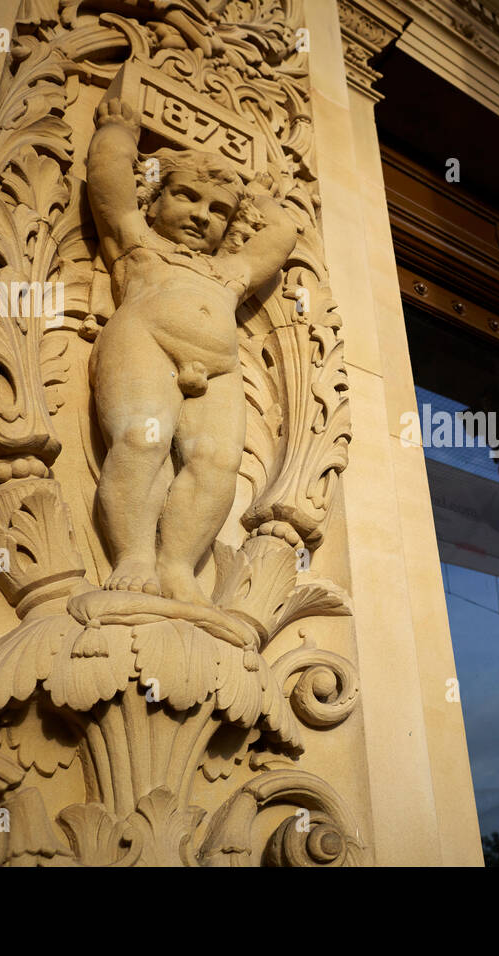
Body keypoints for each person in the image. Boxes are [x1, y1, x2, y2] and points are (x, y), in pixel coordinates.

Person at [86, 96, 297, 604]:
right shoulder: (138, 242)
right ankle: (134, 555)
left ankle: (178, 564)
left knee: (217, 461)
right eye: (187, 197)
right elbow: (109, 184)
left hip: (219, 368)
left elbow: (282, 235)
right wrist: (118, 130)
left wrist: (263, 198)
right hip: (145, 342)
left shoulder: (229, 272)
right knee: (140, 439)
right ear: (154, 201)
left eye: (219, 211)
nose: (203, 216)